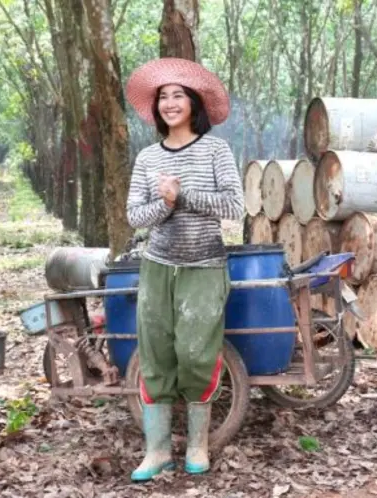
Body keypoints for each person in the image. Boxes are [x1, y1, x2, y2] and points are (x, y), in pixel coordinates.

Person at [123, 57, 245, 481]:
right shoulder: (146, 158)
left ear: (194, 103)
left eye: (178, 96)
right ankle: (157, 451)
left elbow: (234, 206)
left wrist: (185, 195)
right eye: (163, 98)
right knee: (156, 354)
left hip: (204, 265)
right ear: (155, 109)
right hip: (157, 266)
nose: (170, 103)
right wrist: (166, 203)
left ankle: (197, 444)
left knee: (196, 354)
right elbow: (135, 216)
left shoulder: (216, 150)